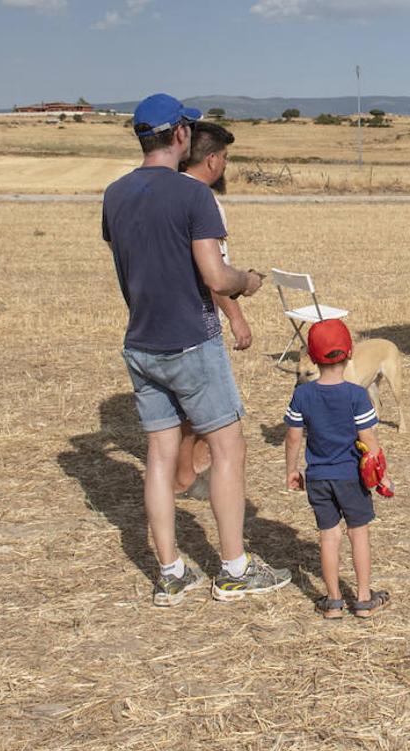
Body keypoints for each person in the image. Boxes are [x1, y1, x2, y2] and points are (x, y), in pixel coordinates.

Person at [103, 92, 290, 606]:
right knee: (229, 447)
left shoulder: (114, 194)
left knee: (160, 456)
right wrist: (246, 282)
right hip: (190, 340)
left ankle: (170, 572)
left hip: (140, 342)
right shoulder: (193, 197)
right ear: (181, 135)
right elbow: (213, 274)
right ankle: (234, 568)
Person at [284, 319, 392, 619]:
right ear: (349, 354)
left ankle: (332, 602)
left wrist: (292, 469)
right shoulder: (357, 396)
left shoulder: (302, 395)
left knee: (328, 537)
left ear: (313, 358)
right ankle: (364, 598)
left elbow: (293, 436)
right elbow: (368, 439)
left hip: (318, 477)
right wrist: (381, 473)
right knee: (359, 534)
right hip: (351, 478)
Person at [173, 121, 251, 500]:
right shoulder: (203, 201)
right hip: (199, 324)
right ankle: (190, 475)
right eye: (226, 158)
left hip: (159, 324)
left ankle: (185, 471)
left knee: (181, 412)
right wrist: (237, 314)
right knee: (219, 421)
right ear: (214, 160)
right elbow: (214, 274)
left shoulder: (164, 192)